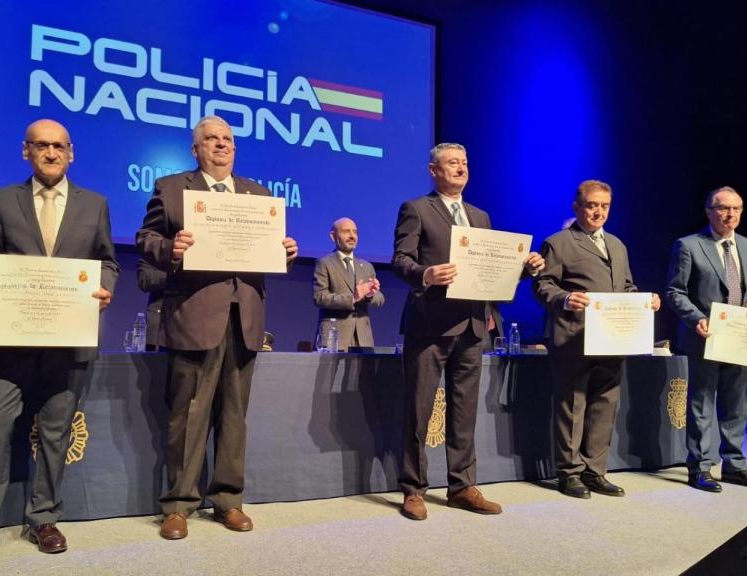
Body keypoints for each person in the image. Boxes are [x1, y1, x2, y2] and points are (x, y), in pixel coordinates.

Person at [0, 119, 119, 569]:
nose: (51, 153)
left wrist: (104, 289)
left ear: (71, 153)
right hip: (10, 343)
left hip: (69, 340)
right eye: (41, 146)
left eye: (59, 146)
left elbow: (107, 262)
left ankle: (43, 518)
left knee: (56, 433)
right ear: (26, 152)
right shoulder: (2, 199)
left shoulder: (95, 204)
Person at [135, 116, 298, 540]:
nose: (221, 145)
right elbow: (145, 238)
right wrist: (171, 248)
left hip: (244, 317)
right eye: (211, 139)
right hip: (193, 314)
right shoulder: (172, 189)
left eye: (227, 139)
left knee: (234, 414)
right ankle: (178, 505)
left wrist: (285, 251)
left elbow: (268, 252)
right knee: (188, 414)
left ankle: (228, 500)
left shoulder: (258, 194)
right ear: (196, 149)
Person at [392, 142, 544, 521]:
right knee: (419, 409)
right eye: (452, 163)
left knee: (464, 411)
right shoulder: (416, 209)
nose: (460, 168)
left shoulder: (480, 215)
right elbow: (400, 259)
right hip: (430, 322)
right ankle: (413, 489)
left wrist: (525, 267)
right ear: (433, 170)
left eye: (464, 163)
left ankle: (461, 486)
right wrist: (424, 274)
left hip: (474, 325)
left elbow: (490, 272)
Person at [534, 180, 660, 499]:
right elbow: (542, 285)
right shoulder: (558, 242)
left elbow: (626, 287)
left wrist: (646, 301)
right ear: (577, 207)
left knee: (605, 405)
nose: (598, 211)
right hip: (574, 338)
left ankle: (595, 471)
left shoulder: (617, 245)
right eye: (592, 205)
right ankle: (569, 472)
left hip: (613, 339)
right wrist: (564, 298)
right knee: (572, 406)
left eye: (604, 206)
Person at [665, 186, 747, 492]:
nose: (731, 214)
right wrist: (697, 317)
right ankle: (700, 467)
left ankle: (735, 465)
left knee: (737, 403)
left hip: (741, 337)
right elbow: (675, 291)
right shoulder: (689, 245)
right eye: (724, 208)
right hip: (705, 336)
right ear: (709, 211)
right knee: (701, 403)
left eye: (736, 209)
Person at [312, 217, 384, 351]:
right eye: (346, 231)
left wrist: (369, 295)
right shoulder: (324, 263)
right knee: (331, 373)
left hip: (363, 337)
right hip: (334, 335)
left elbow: (380, 298)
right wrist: (353, 298)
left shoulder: (366, 266)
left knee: (365, 373)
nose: (352, 236)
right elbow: (319, 297)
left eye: (354, 232)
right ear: (333, 236)